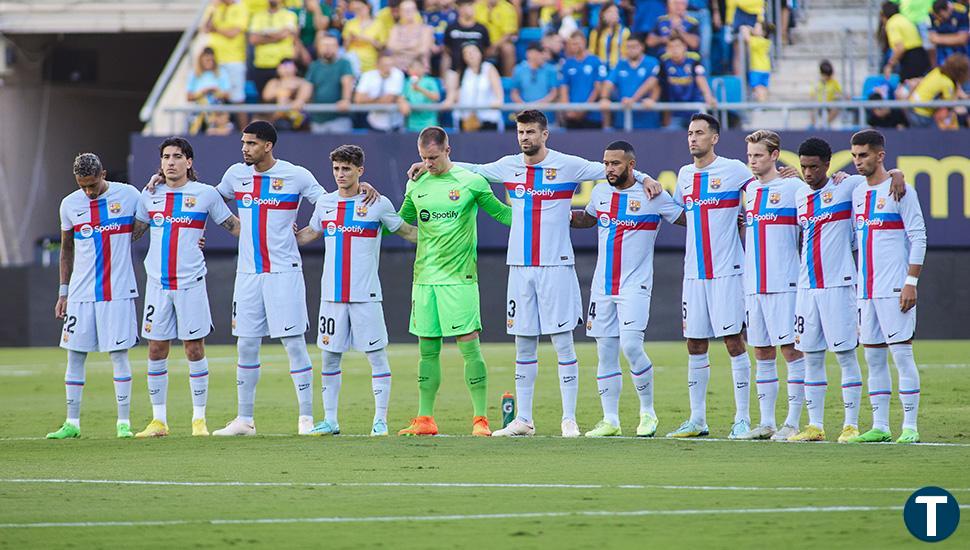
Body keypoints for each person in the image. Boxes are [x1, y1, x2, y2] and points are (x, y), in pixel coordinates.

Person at [406, 110, 663, 438]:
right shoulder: (508, 166)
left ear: (544, 135)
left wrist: (644, 178)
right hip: (520, 267)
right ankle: (523, 419)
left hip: (556, 266)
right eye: (520, 132)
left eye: (530, 132)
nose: (524, 137)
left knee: (563, 344)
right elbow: (469, 168)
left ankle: (568, 419)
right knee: (523, 344)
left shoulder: (567, 165)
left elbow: (613, 169)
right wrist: (424, 166)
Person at [203, 121, 379, 436]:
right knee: (245, 345)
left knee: (293, 344)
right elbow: (208, 200)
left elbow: (329, 201)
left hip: (284, 273)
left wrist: (359, 190)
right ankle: (245, 420)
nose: (245, 148)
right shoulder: (235, 175)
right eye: (243, 143)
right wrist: (225, 226)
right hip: (247, 274)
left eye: (251, 143)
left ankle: (306, 419)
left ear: (268, 145)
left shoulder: (295, 175)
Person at [396, 127, 513, 437]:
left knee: (469, 348)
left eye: (433, 157)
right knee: (427, 351)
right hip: (424, 280)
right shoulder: (416, 183)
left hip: (460, 280)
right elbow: (401, 220)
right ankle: (425, 419)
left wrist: (546, 214)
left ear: (448, 150)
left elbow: (503, 215)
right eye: (423, 158)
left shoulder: (471, 182)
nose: (428, 163)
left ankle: (480, 420)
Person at [294, 145, 418, 436]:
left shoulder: (377, 203)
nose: (340, 174)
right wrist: (273, 236)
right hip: (331, 296)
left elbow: (408, 232)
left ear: (360, 170)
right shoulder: (325, 203)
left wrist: (448, 237)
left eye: (346, 169)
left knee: (376, 355)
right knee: (329, 357)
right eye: (336, 168)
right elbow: (309, 234)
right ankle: (330, 421)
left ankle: (380, 420)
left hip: (366, 295)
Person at [790, 138, 907, 444]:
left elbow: (878, 178)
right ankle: (814, 425)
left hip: (839, 286)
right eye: (803, 166)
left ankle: (851, 424)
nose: (808, 172)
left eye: (814, 166)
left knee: (844, 356)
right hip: (806, 287)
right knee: (811, 357)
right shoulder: (800, 195)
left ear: (828, 164)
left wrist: (897, 173)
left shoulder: (848, 186)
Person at [569, 141, 686, 437]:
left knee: (631, 346)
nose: (609, 169)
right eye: (606, 163)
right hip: (602, 286)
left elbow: (685, 218)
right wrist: (566, 215)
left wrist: (725, 214)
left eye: (615, 164)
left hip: (635, 284)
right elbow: (588, 218)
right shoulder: (600, 192)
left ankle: (648, 413)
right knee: (605, 353)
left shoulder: (653, 195)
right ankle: (610, 420)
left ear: (631, 165)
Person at [131, 137, 241, 438]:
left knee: (194, 349)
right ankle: (158, 421)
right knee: (156, 348)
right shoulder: (150, 195)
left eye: (177, 156)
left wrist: (275, 231)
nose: (170, 162)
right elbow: (135, 233)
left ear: (189, 162)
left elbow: (234, 226)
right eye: (166, 156)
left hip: (190, 283)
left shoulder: (205, 194)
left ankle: (198, 420)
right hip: (157, 285)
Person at [665, 113, 755, 439]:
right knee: (695, 343)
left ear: (714, 138)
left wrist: (746, 215)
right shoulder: (685, 174)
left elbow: (761, 190)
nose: (693, 139)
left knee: (733, 341)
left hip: (728, 272)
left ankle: (742, 418)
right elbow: (681, 215)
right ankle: (697, 419)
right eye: (690, 133)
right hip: (694, 273)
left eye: (699, 133)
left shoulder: (734, 170)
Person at [47, 154, 142, 440]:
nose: (88, 192)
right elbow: (66, 250)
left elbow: (153, 219)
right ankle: (71, 423)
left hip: (118, 292)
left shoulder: (129, 195)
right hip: (80, 293)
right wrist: (63, 292)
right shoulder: (69, 204)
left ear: (103, 173)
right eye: (82, 186)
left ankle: (123, 423)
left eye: (92, 184)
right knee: (75, 355)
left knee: (119, 355)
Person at [848, 130, 927, 444]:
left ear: (880, 155)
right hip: (864, 290)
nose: (858, 161)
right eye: (854, 155)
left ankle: (910, 426)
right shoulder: (855, 191)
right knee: (873, 358)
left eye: (863, 155)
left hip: (894, 288)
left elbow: (918, 237)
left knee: (902, 356)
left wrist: (911, 282)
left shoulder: (901, 190)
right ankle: (880, 425)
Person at [733, 130, 804, 441]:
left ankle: (793, 421)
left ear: (775, 156)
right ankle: (766, 422)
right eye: (749, 156)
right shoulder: (749, 189)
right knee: (762, 351)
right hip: (754, 284)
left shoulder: (793, 187)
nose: (752, 161)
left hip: (784, 283)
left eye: (759, 155)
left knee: (790, 350)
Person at [599, 38, 662, 129]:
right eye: (628, 47)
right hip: (622, 121)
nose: (631, 50)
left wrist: (634, 99)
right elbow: (608, 82)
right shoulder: (620, 64)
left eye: (634, 46)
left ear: (642, 47)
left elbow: (653, 84)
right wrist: (604, 98)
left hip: (647, 121)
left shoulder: (652, 62)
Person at [658, 33, 717, 129]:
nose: (675, 50)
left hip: (696, 110)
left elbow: (700, 78)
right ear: (667, 49)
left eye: (677, 46)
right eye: (671, 47)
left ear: (684, 47)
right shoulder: (664, 62)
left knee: (701, 136)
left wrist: (708, 96)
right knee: (670, 136)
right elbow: (658, 84)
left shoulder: (694, 59)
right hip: (676, 113)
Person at [203, 0, 249, 114]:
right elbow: (205, 28)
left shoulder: (241, 7)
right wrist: (213, 9)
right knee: (215, 99)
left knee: (237, 99)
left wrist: (216, 29)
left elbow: (233, 33)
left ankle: (244, 131)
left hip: (234, 59)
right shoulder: (214, 7)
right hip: (215, 60)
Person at [305, 35, 356, 134]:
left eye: (331, 45)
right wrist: (300, 100)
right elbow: (307, 86)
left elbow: (347, 81)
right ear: (318, 48)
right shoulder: (314, 66)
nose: (328, 48)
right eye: (324, 45)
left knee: (341, 149)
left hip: (339, 118)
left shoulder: (344, 63)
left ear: (337, 47)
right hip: (318, 119)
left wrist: (346, 99)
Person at [249, 0, 299, 97]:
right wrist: (277, 36)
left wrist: (264, 34)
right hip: (262, 64)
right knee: (264, 99)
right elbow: (253, 39)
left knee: (284, 96)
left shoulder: (289, 15)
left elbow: (284, 34)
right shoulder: (258, 16)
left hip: (283, 65)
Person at [560, 31, 609, 129]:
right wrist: (567, 110)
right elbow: (564, 88)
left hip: (592, 116)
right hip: (572, 115)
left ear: (584, 42)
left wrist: (584, 109)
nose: (576, 46)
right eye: (573, 44)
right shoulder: (567, 64)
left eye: (578, 43)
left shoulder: (596, 61)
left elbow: (598, 88)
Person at [451, 43, 504, 131]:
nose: (471, 55)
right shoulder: (461, 72)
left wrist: (497, 102)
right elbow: (454, 96)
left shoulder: (489, 68)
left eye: (473, 51)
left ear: (480, 53)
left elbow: (499, 94)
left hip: (488, 119)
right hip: (465, 121)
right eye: (466, 53)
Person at [909, 52, 970, 128]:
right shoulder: (947, 83)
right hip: (921, 113)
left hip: (912, 106)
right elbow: (949, 104)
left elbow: (957, 90)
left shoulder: (937, 71)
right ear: (960, 73)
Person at [354, 52, 406, 132]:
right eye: (385, 65)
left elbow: (388, 100)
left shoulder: (397, 74)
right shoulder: (367, 75)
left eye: (391, 65)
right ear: (377, 65)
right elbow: (358, 99)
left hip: (395, 124)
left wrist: (369, 100)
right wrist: (380, 100)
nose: (388, 68)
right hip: (374, 123)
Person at [509, 42, 560, 124]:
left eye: (543, 52)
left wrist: (537, 106)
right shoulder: (518, 70)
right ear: (529, 53)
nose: (543, 55)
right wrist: (525, 107)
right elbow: (514, 92)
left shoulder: (551, 70)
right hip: (525, 118)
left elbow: (554, 93)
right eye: (539, 52)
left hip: (547, 119)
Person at [187, 47, 232, 135]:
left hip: (218, 110)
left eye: (212, 60)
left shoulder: (221, 72)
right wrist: (202, 92)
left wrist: (215, 91)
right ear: (201, 60)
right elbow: (189, 97)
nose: (210, 62)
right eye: (207, 60)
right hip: (199, 111)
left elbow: (227, 95)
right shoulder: (194, 73)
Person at [882, 1, 931, 81]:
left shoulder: (892, 23)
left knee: (904, 90)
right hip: (921, 54)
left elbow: (900, 48)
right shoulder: (904, 18)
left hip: (911, 59)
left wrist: (890, 65)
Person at [261, 58, 313, 131]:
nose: (286, 69)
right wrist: (283, 90)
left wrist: (298, 100)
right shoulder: (273, 82)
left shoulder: (303, 82)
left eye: (289, 65)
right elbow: (266, 96)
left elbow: (304, 97)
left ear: (295, 68)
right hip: (277, 120)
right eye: (283, 66)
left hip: (299, 118)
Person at [443, 0, 491, 74]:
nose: (469, 8)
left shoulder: (481, 28)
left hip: (478, 69)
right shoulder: (451, 28)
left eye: (470, 5)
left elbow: (487, 49)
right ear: (459, 9)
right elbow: (447, 48)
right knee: (445, 57)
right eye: (465, 6)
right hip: (456, 69)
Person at [386, 0, 435, 71]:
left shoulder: (426, 29)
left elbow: (422, 50)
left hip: (419, 70)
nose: (408, 12)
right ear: (400, 12)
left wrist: (401, 47)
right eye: (405, 10)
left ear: (416, 11)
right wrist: (412, 45)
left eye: (410, 10)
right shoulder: (395, 28)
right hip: (397, 69)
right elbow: (391, 47)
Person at [474, 0, 519, 76]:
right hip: (480, 41)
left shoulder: (507, 8)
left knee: (508, 48)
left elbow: (508, 34)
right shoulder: (477, 6)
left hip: (499, 43)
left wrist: (494, 46)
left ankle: (508, 80)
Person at [343, 0, 388, 74]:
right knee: (350, 58)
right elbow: (345, 47)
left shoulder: (379, 24)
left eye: (361, 8)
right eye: (356, 9)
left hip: (370, 61)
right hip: (352, 58)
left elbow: (382, 47)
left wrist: (367, 39)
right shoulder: (350, 23)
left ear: (368, 7)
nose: (359, 11)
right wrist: (349, 39)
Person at [399, 60, 442, 132]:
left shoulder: (430, 81)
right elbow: (402, 97)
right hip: (412, 125)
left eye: (418, 68)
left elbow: (436, 97)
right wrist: (402, 102)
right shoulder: (407, 82)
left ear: (424, 69)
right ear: (408, 70)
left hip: (429, 124)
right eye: (413, 68)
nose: (416, 70)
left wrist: (419, 89)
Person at [590, 3, 632, 69]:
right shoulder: (596, 32)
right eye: (610, 12)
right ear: (603, 14)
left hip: (618, 69)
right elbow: (591, 52)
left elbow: (626, 54)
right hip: (600, 68)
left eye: (616, 12)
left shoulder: (625, 32)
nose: (613, 14)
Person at [929, 0, 970, 66]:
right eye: (939, 16)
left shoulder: (961, 11)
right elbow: (932, 38)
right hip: (943, 54)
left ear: (949, 8)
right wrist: (955, 38)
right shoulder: (932, 12)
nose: (940, 19)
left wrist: (938, 38)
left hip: (961, 52)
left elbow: (963, 39)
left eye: (942, 16)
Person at [809, 59, 844, 128]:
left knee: (836, 108)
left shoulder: (834, 82)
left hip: (829, 106)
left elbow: (840, 93)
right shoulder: (817, 83)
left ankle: (824, 125)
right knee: (812, 108)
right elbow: (812, 95)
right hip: (818, 105)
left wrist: (837, 97)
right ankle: (813, 126)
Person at [743, 21, 772, 102]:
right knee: (763, 87)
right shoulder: (766, 41)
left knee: (757, 87)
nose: (754, 28)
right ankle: (763, 102)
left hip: (757, 68)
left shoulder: (759, 41)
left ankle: (761, 104)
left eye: (756, 28)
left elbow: (747, 39)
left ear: (763, 32)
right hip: (766, 68)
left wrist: (745, 29)